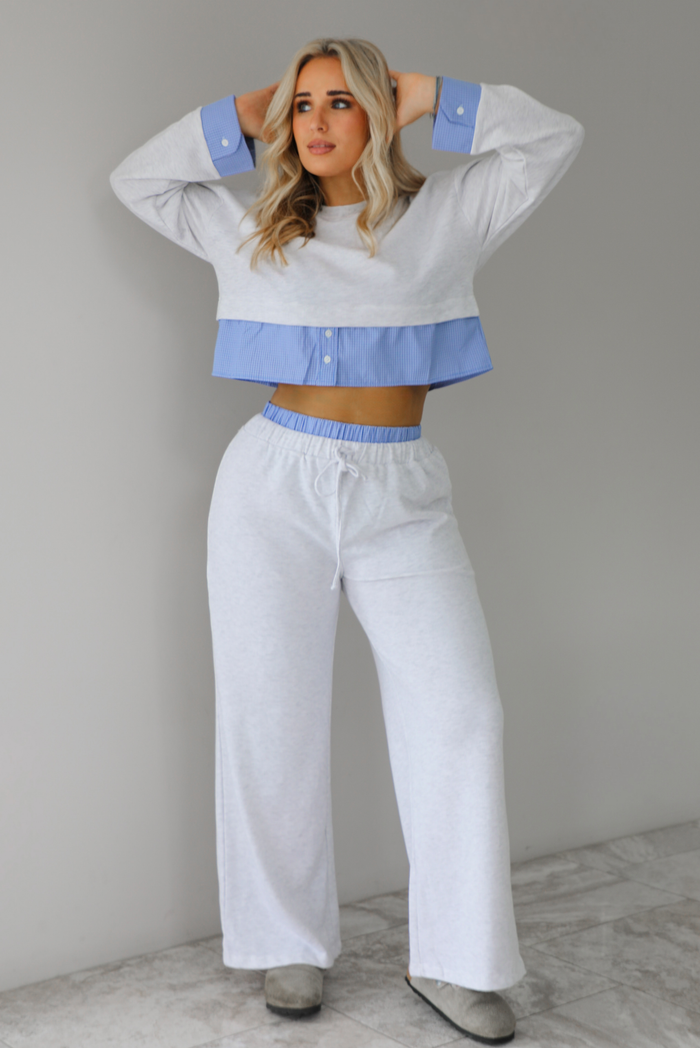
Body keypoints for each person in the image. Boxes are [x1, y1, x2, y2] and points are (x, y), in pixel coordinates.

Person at [110, 36, 584, 1044]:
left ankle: (457, 961)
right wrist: (240, 114)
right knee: (268, 711)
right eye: (300, 106)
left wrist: (432, 99)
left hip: (400, 485)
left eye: (340, 101)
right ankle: (286, 942)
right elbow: (136, 179)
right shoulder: (252, 227)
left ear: (379, 111)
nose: (315, 122)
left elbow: (551, 140)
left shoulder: (448, 216)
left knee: (461, 712)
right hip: (271, 480)